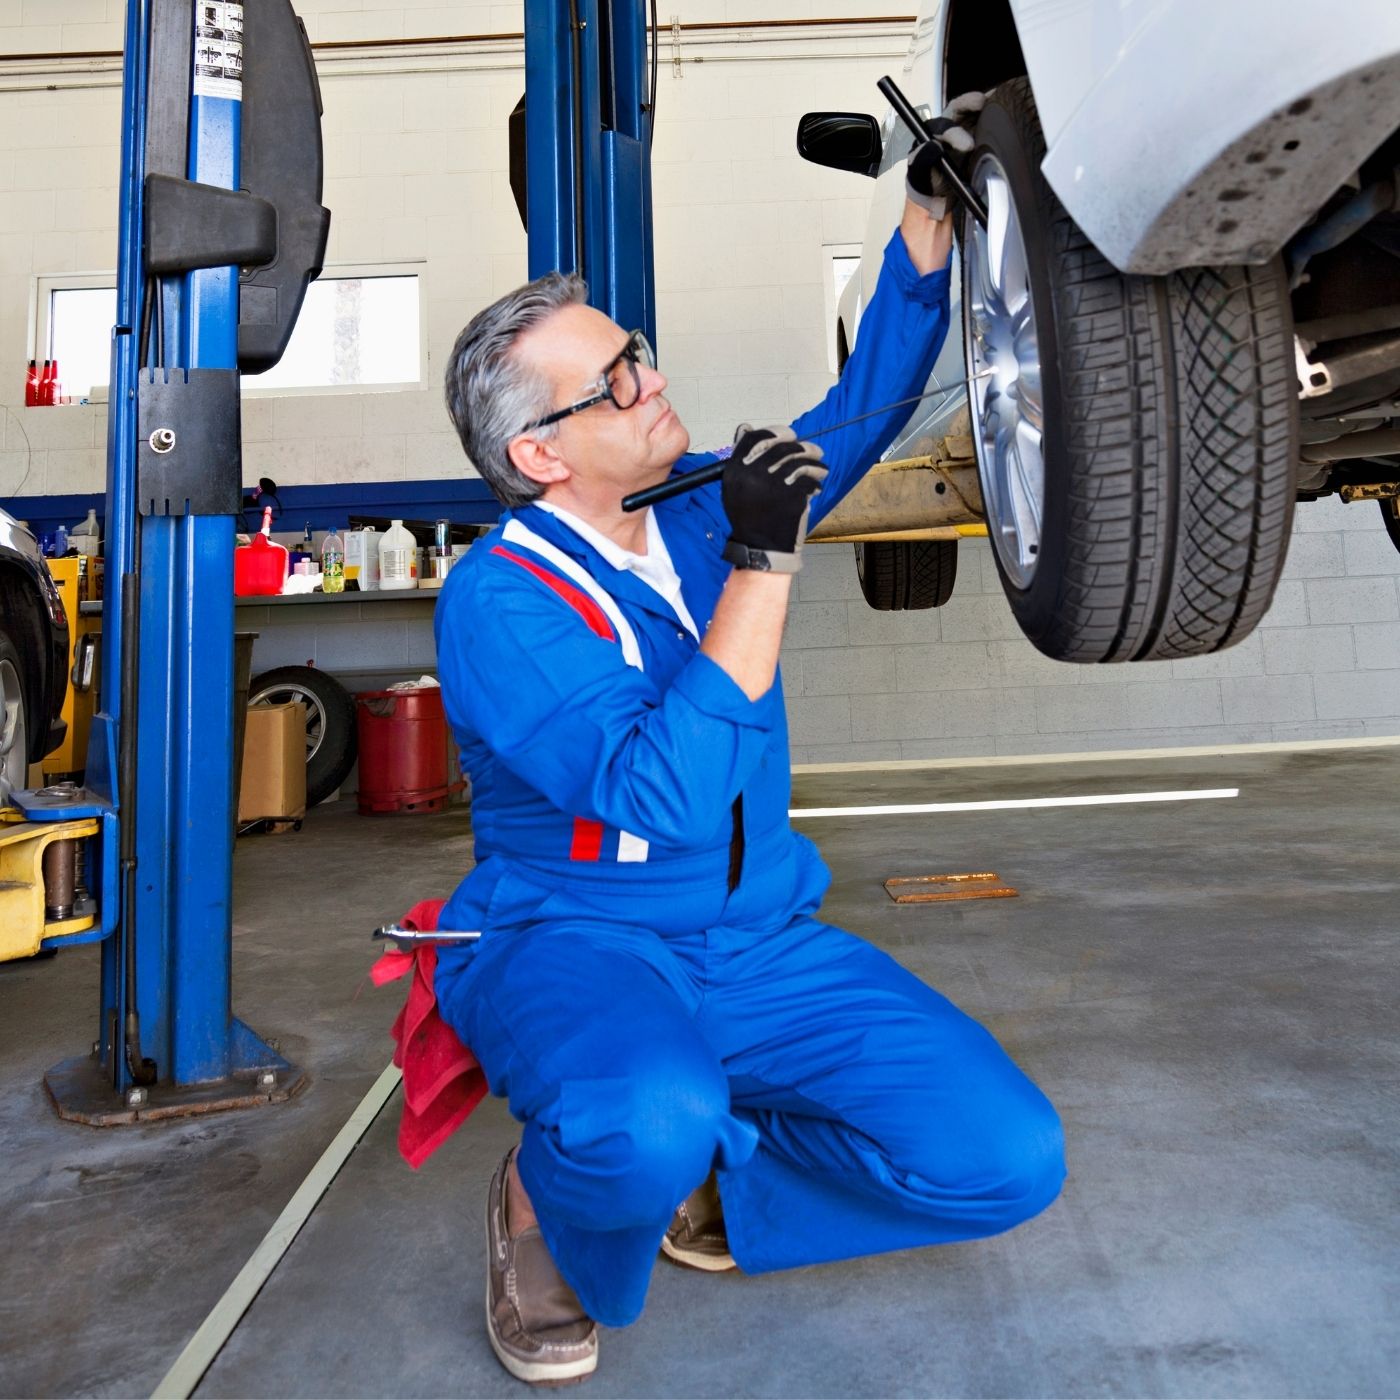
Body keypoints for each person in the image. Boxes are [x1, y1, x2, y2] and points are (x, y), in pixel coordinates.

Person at [433, 98, 1064, 1385]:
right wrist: (766, 562)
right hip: (575, 938)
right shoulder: (496, 600)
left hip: (757, 938)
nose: (652, 379)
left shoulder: (694, 507)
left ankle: (714, 1182)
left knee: (1004, 1156)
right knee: (637, 1116)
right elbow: (656, 793)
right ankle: (552, 1205)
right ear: (538, 452)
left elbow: (863, 407)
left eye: (639, 353)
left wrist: (925, 220)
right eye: (616, 380)